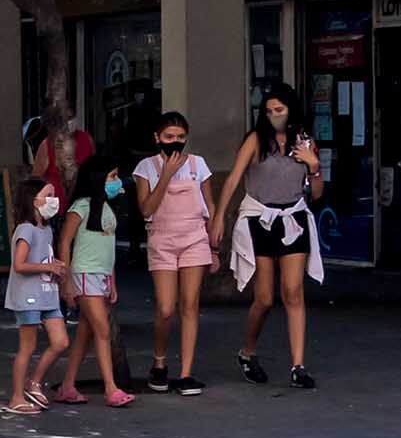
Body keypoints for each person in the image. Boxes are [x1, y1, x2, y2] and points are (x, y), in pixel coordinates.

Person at [224, 87, 326, 389]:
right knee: (265, 298)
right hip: (260, 218)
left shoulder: (304, 142)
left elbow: (317, 194)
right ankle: (247, 352)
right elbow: (233, 178)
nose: (273, 116)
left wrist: (314, 165)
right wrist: (218, 219)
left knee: (293, 291)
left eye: (279, 110)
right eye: (268, 111)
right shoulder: (256, 140)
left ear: (291, 110)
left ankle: (298, 365)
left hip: (293, 217)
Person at [131, 110, 214, 394]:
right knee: (166, 307)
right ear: (157, 138)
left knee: (190, 305)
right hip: (162, 238)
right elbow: (146, 209)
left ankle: (187, 372)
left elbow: (209, 205)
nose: (175, 142)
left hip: (194, 237)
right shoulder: (146, 168)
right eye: (169, 137)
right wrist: (165, 175)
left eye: (180, 137)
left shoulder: (198, 165)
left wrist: (214, 244)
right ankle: (160, 360)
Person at [55, 152, 134, 409]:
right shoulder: (81, 207)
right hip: (85, 274)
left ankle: (68, 385)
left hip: (100, 276)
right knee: (102, 329)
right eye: (111, 176)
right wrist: (66, 281)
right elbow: (64, 242)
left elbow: (108, 249)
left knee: (86, 334)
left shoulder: (107, 208)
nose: (116, 181)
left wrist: (112, 281)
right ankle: (111, 388)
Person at [1, 175, 66, 413]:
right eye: (48, 196)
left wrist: (54, 265)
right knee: (27, 347)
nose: (53, 200)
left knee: (60, 342)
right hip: (28, 296)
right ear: (33, 200)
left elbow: (39, 259)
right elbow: (19, 265)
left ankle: (34, 382)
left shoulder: (45, 230)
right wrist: (49, 267)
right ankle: (17, 396)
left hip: (47, 293)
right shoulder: (25, 229)